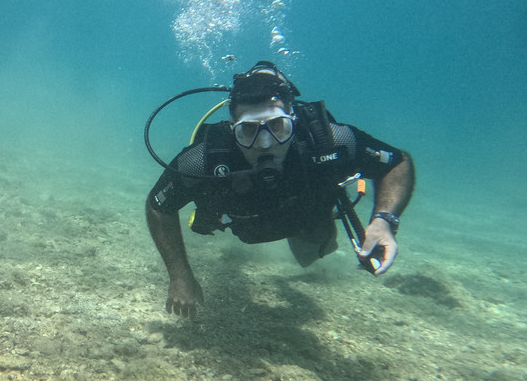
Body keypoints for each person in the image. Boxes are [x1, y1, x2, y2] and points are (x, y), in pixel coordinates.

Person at [145, 61, 414, 319]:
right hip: (246, 225)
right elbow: (158, 206)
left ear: (293, 119)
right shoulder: (202, 159)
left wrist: (384, 219)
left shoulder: (332, 141)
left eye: (277, 126)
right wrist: (179, 275)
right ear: (231, 127)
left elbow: (397, 162)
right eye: (248, 130)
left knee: (316, 250)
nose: (265, 143)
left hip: (307, 219)